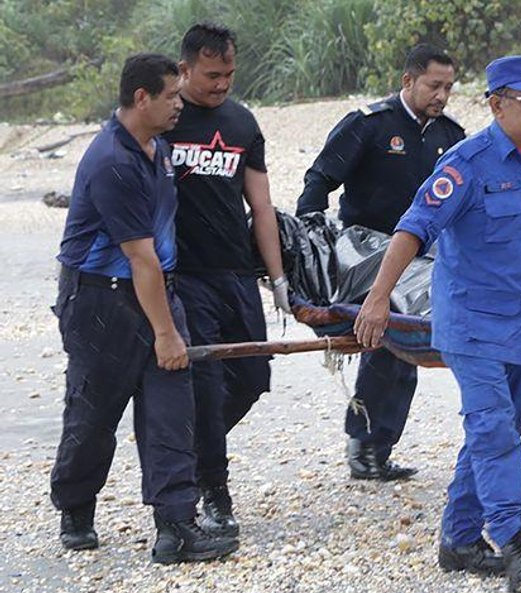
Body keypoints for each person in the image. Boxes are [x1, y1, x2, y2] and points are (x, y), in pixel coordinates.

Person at [354, 54, 521, 593]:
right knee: (493, 429)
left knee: (500, 429)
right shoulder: (466, 164)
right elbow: (412, 229)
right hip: (471, 323)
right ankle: (514, 542)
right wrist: (378, 299)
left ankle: (459, 540)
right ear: (496, 105)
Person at [51, 53, 237, 563]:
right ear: (141, 98)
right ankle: (76, 508)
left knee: (171, 410)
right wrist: (166, 333)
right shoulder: (112, 161)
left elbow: (157, 257)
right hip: (100, 298)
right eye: (172, 96)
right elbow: (138, 257)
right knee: (95, 411)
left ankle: (175, 526)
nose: (181, 104)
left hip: (158, 287)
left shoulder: (158, 149)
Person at [296, 44, 465, 481]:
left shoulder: (451, 136)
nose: (441, 95)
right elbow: (319, 181)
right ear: (408, 81)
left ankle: (378, 447)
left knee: (409, 347)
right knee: (390, 339)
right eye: (434, 85)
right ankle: (365, 445)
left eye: (448, 87)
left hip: (423, 257)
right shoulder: (369, 125)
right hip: (367, 251)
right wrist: (308, 247)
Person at [163, 23, 290, 539]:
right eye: (212, 75)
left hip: (235, 272)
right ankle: (214, 488)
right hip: (185, 275)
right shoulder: (167, 119)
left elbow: (260, 204)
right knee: (209, 383)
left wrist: (278, 278)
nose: (222, 84)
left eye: (229, 74)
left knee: (254, 377)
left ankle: (191, 453)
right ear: (186, 68)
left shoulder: (241, 123)